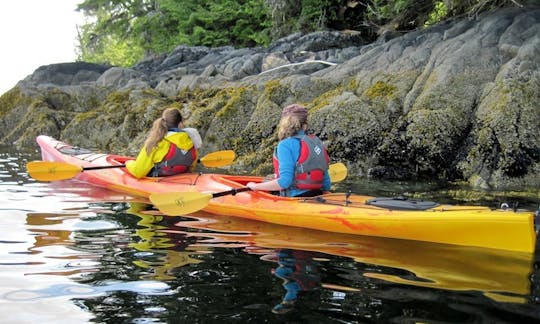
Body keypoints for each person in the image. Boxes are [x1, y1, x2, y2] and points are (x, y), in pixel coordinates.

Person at [247, 104, 331, 197]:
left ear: (283, 124)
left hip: (294, 199)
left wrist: (254, 187)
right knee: (268, 179)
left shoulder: (285, 145)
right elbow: (326, 184)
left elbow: (284, 182)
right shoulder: (317, 143)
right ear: (305, 125)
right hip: (317, 195)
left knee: (267, 183)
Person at [126, 107, 202, 178]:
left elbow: (138, 172)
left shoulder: (155, 143)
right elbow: (192, 167)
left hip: (159, 179)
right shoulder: (191, 142)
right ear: (180, 124)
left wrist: (128, 163)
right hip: (183, 179)